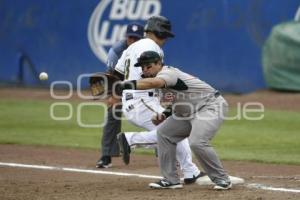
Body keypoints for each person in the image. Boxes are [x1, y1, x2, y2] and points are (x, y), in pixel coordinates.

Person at [115, 50, 232, 190]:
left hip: (209, 106)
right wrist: (164, 114)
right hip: (187, 112)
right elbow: (175, 101)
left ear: (159, 63)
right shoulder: (158, 81)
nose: (145, 69)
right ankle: (171, 180)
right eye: (142, 66)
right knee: (164, 133)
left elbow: (155, 82)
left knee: (197, 142)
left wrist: (127, 84)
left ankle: (222, 179)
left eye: (148, 65)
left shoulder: (167, 73)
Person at [113, 16, 203, 184]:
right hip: (142, 100)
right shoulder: (151, 47)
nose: (166, 39)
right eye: (165, 34)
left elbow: (117, 73)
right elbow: (148, 76)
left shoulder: (132, 47)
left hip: (138, 100)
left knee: (177, 129)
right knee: (173, 131)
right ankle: (130, 139)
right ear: (159, 32)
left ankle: (190, 171)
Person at [96, 22, 144, 168]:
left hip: (144, 85)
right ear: (126, 37)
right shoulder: (117, 51)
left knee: (156, 116)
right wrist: (113, 96)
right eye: (130, 38)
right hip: (122, 83)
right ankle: (106, 156)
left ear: (142, 39)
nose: (133, 41)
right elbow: (112, 76)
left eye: (136, 39)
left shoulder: (147, 48)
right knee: (113, 112)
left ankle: (163, 151)